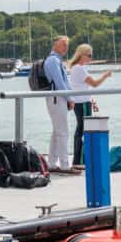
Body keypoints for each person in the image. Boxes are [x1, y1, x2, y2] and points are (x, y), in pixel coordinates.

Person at [67, 44, 112, 169]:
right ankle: (80, 160)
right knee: (83, 130)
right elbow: (95, 84)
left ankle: (79, 160)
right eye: (89, 55)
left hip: (80, 101)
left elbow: (82, 87)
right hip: (82, 103)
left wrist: (92, 101)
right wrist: (105, 76)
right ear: (82, 54)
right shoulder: (80, 69)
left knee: (80, 129)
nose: (91, 58)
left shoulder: (76, 68)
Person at [43, 35, 73, 171]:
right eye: (63, 44)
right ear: (55, 45)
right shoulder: (53, 61)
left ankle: (52, 163)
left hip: (57, 98)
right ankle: (65, 164)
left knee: (57, 132)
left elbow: (63, 82)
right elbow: (60, 83)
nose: (65, 47)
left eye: (67, 45)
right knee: (63, 132)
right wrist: (69, 98)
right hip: (57, 98)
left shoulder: (56, 60)